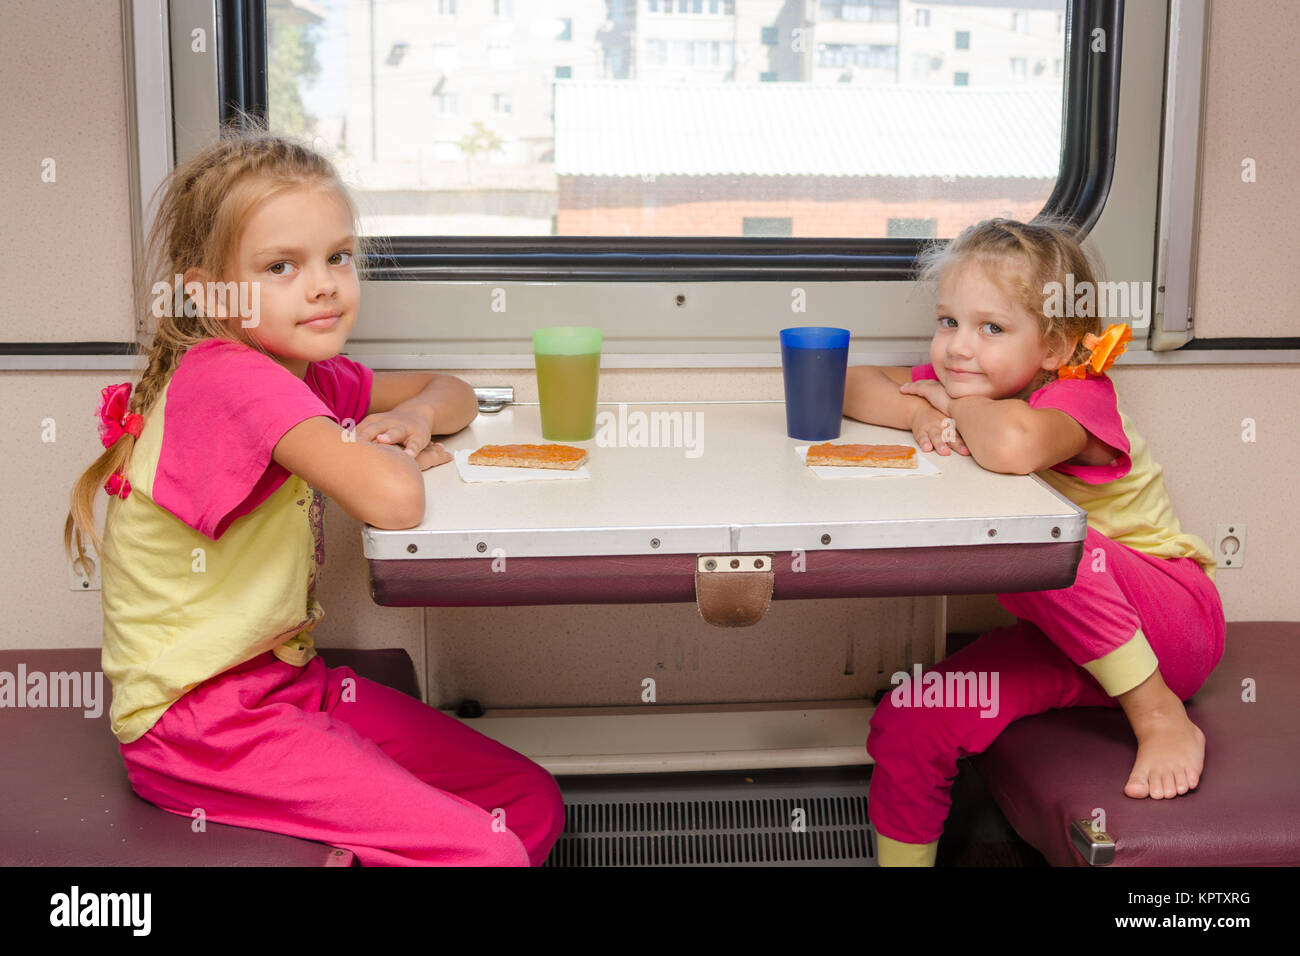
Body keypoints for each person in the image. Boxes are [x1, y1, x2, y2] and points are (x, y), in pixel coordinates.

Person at [63, 121, 565, 866]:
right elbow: (396, 503)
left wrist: (411, 417)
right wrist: (377, 448)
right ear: (210, 293)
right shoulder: (229, 379)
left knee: (525, 801)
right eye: (281, 267)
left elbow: (455, 390)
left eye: (336, 257)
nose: (324, 283)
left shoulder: (303, 371)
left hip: (287, 684)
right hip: (200, 724)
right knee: (488, 852)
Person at [842, 218, 1224, 867]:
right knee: (912, 718)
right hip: (1076, 643)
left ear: (1055, 345)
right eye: (948, 322)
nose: (958, 348)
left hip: (1172, 627)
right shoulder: (980, 388)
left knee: (1046, 542)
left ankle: (1159, 716)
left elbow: (1014, 445)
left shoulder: (1079, 400)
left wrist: (949, 404)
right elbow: (852, 381)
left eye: (991, 328)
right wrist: (918, 411)